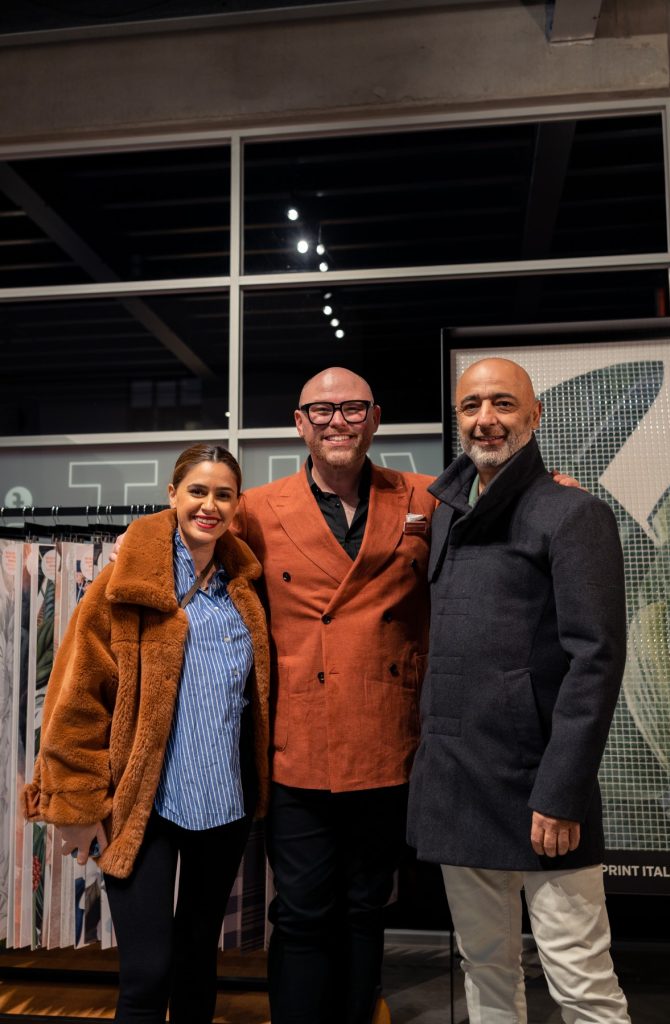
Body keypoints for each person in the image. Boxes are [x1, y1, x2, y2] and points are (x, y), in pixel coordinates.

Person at [407, 358, 631, 1024]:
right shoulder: (446, 514)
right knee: (485, 969)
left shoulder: (573, 513)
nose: (486, 419)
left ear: (534, 415)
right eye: (471, 405)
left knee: (581, 984)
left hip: (539, 791)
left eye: (503, 404)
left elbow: (595, 661)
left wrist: (560, 793)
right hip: (458, 783)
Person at [24, 443, 270, 1024]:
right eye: (198, 491)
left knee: (197, 961)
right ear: (172, 494)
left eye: (224, 495)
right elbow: (76, 698)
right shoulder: (125, 583)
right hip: (144, 805)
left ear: (237, 505)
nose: (209, 505)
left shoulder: (244, 588)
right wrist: (77, 803)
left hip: (223, 803)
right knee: (147, 972)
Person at [232, 366, 437, 1024]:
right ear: (300, 424)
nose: (336, 421)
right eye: (321, 411)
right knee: (300, 912)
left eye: (351, 408)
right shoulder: (257, 508)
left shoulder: (422, 495)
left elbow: (499, 504)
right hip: (298, 743)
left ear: (375, 418)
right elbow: (191, 536)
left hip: (385, 738)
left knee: (365, 906)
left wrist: (552, 486)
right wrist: (142, 541)